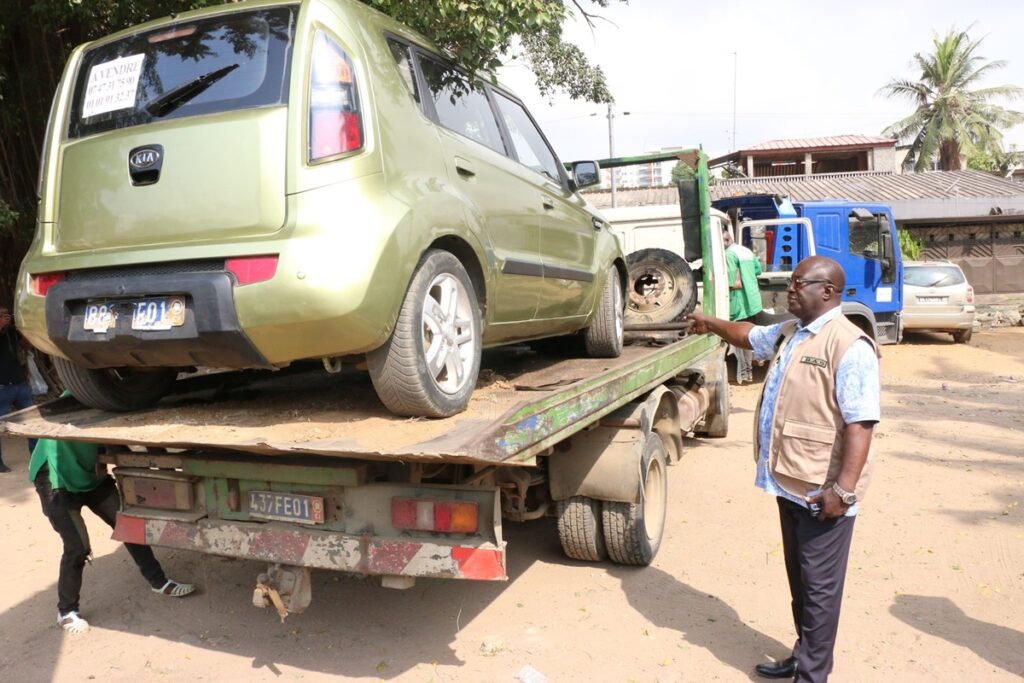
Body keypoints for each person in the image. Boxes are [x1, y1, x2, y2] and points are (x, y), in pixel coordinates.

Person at [686, 256, 880, 682]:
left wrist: (842, 492)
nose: (790, 289)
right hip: (790, 483)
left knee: (820, 591)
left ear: (827, 291)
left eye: (798, 283)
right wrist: (709, 321)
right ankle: (802, 654)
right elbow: (748, 335)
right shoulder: (792, 332)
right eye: (791, 283)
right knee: (802, 584)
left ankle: (812, 676)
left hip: (823, 494)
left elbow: (861, 424)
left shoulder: (848, 344)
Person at [29, 433, 197, 634]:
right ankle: (66, 611)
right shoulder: (79, 404)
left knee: (127, 526)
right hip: (55, 478)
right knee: (78, 548)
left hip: (89, 473)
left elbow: (120, 445)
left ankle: (159, 581)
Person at [722, 224, 763, 384]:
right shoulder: (745, 251)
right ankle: (749, 373)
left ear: (725, 241)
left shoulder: (728, 254)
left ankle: (745, 374)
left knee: (739, 340)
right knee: (748, 338)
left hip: (738, 303)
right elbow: (758, 270)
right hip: (753, 302)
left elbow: (730, 281)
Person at [0, 304, 35, 472]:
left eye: (6, 315)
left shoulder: (10, 332)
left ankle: (36, 457)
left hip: (19, 384)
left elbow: (27, 345)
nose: (5, 317)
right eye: (1, 315)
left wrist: (22, 329)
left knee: (32, 421)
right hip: (2, 388)